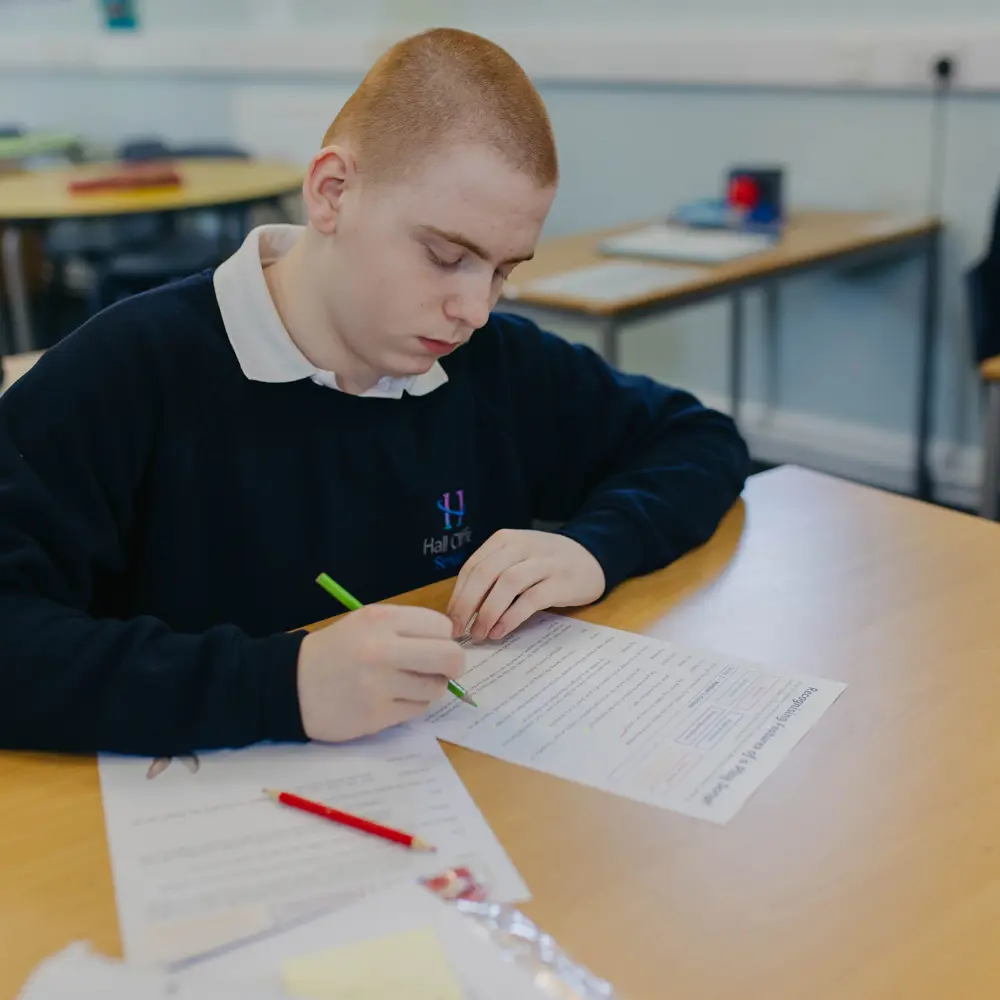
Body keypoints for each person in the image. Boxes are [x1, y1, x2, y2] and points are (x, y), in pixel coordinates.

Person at [0, 28, 749, 756]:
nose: (476, 309)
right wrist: (281, 685)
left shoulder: (493, 363)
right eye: (446, 255)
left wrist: (594, 546)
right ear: (332, 193)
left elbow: (698, 438)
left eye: (503, 270)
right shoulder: (129, 369)